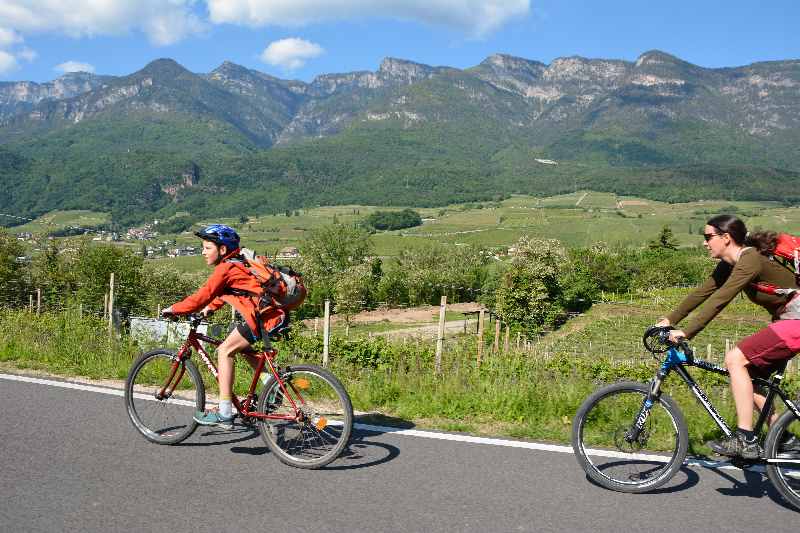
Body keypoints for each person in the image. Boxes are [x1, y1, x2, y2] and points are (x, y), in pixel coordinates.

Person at [657, 214, 800, 459]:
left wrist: (686, 332)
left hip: (797, 320)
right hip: (788, 320)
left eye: (708, 237)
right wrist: (669, 320)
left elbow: (721, 299)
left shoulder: (750, 259)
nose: (704, 243)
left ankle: (745, 439)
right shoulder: (730, 263)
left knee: (735, 359)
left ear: (726, 238)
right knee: (751, 376)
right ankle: (783, 437)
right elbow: (703, 292)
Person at [161, 224, 289, 429]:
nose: (203, 252)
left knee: (224, 351)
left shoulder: (226, 268)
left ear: (222, 250)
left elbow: (201, 296)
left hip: (263, 319)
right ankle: (272, 387)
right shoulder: (237, 263)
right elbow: (229, 292)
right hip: (269, 316)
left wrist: (174, 309)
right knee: (239, 344)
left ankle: (225, 412)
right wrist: (209, 309)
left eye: (207, 248)